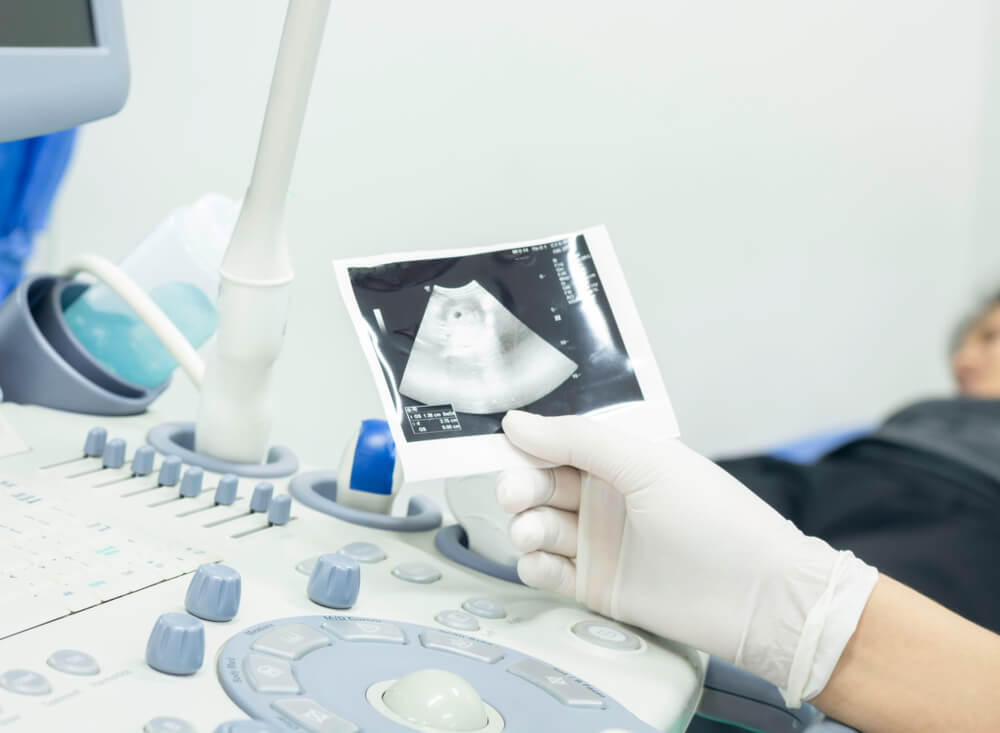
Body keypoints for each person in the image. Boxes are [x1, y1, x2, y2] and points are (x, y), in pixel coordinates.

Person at [495, 293, 1000, 732]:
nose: (967, 354)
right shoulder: (924, 411)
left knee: (892, 574)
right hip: (848, 470)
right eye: (972, 338)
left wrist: (801, 623)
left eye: (994, 336)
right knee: (629, 505)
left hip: (970, 504)